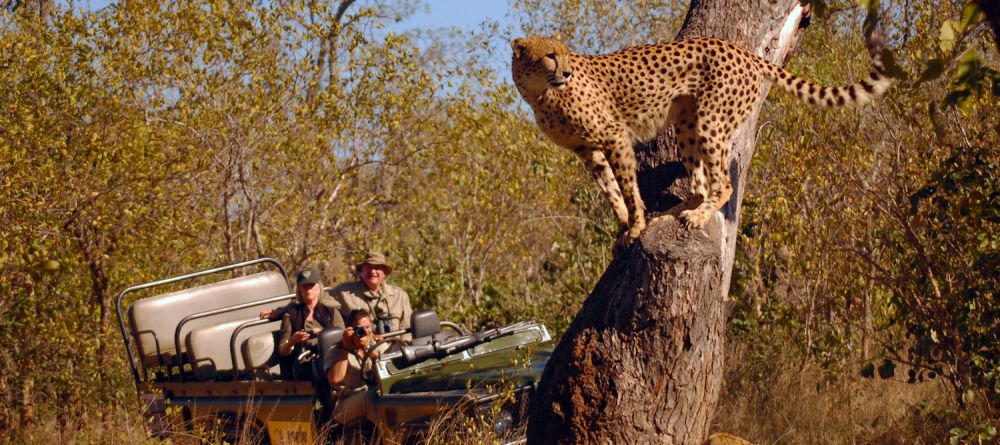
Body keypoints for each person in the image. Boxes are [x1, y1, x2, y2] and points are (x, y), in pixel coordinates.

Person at [328, 251, 413, 343]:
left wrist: (405, 348)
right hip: (361, 350)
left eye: (377, 268)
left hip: (397, 349)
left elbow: (407, 328)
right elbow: (322, 299)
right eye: (368, 267)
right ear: (362, 271)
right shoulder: (344, 294)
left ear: (384, 273)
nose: (373, 271)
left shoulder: (399, 296)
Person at [326, 309, 383, 435]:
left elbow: (388, 371)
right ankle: (391, 439)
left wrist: (369, 350)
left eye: (367, 327)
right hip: (345, 403)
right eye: (359, 328)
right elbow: (335, 379)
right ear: (350, 330)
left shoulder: (378, 345)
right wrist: (346, 347)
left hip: (374, 394)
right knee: (370, 397)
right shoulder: (337, 350)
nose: (364, 331)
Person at [276, 265, 340, 379]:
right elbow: (282, 350)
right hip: (303, 366)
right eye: (304, 286)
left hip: (332, 360)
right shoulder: (291, 314)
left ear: (319, 287)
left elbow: (343, 337)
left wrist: (324, 335)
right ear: (299, 289)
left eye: (311, 285)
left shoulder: (331, 311)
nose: (308, 289)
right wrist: (293, 341)